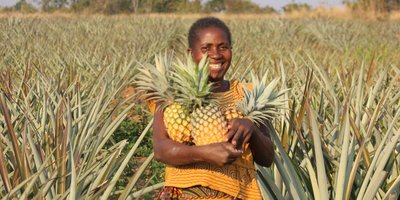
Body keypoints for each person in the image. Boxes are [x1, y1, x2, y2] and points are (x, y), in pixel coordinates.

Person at [152, 17, 274, 199]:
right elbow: (160, 150)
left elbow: (267, 158)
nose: (216, 54)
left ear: (231, 50)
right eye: (205, 48)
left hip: (238, 194)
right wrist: (203, 154)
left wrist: (252, 129)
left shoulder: (248, 93)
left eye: (223, 47)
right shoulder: (172, 94)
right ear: (190, 53)